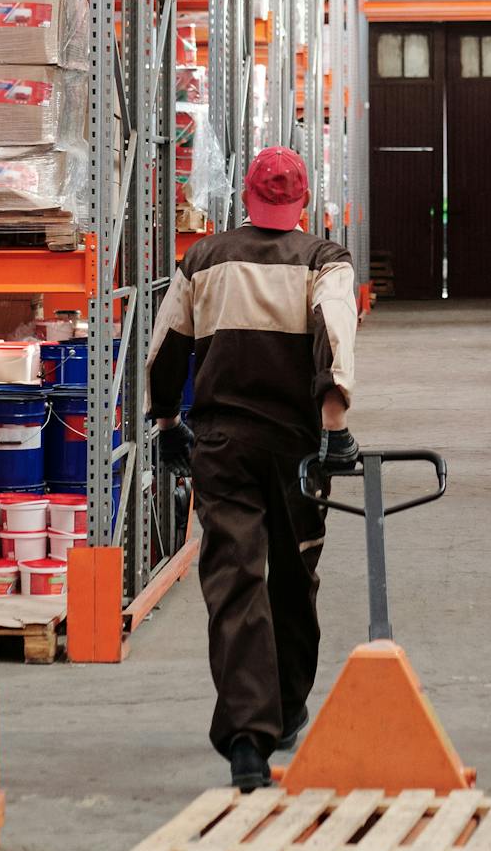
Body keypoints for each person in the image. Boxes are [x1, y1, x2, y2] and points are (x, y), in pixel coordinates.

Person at [146, 144, 359, 792]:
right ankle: (285, 709)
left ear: (246, 195)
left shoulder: (202, 259)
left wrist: (165, 422)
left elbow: (167, 346)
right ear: (302, 200)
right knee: (294, 576)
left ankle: (247, 736)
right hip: (298, 447)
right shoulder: (326, 260)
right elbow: (334, 335)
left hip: (222, 445)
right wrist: (336, 426)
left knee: (235, 579)